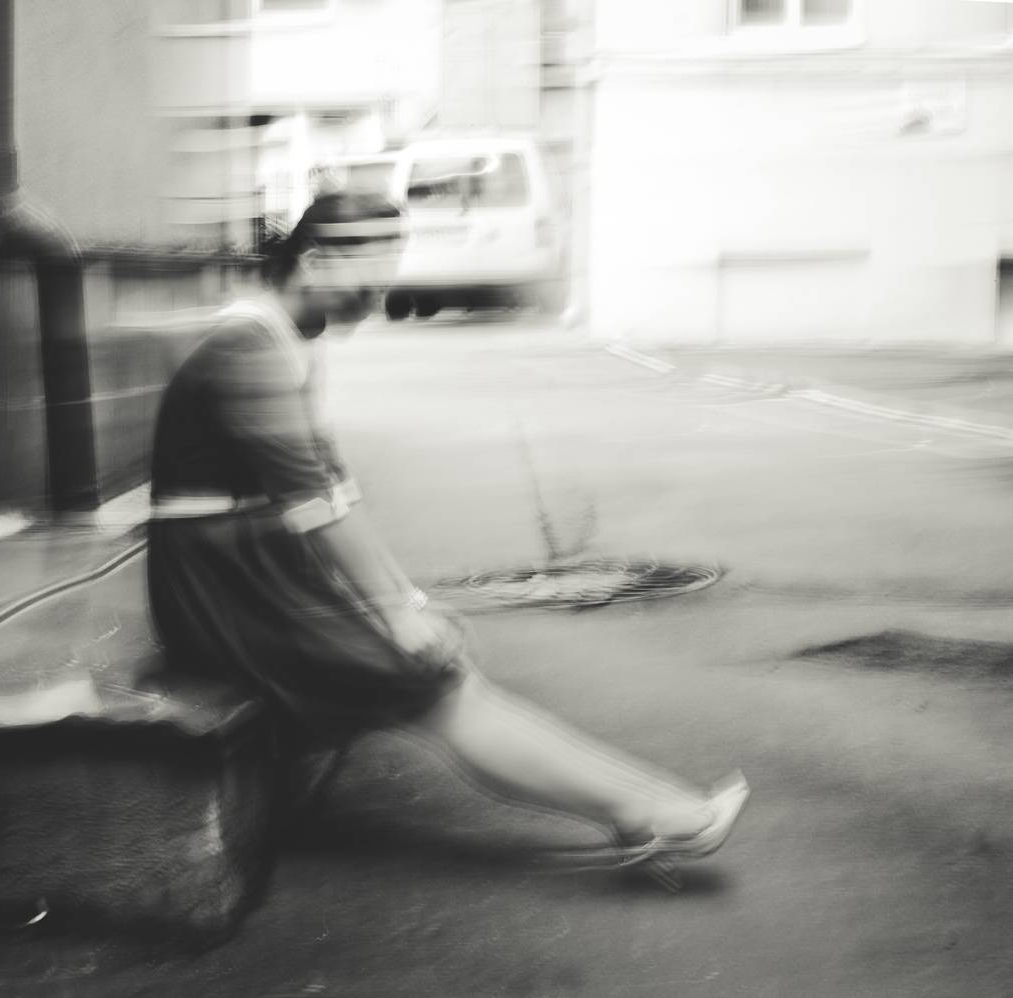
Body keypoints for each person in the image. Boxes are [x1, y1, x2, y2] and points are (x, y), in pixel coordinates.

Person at [145, 191, 748, 890]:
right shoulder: (248, 349)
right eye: (366, 283)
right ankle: (650, 814)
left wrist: (405, 602)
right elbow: (316, 504)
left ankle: (652, 808)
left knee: (446, 675)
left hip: (253, 577)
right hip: (228, 592)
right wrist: (396, 611)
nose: (376, 302)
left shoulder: (284, 340)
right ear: (312, 263)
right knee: (439, 687)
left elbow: (333, 490)